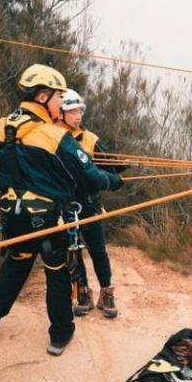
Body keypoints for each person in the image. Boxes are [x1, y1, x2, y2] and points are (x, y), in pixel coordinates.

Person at [0, 64, 123, 356]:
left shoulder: (6, 125)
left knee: (16, 264)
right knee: (56, 271)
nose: (61, 104)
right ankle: (61, 333)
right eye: (58, 98)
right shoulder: (54, 136)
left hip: (12, 212)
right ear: (42, 97)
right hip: (46, 218)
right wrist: (115, 181)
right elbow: (90, 175)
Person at [56, 89, 126, 318]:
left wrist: (117, 168)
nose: (78, 116)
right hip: (65, 204)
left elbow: (110, 166)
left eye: (79, 111)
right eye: (72, 111)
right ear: (61, 113)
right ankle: (83, 292)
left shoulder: (90, 139)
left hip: (89, 203)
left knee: (98, 249)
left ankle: (107, 293)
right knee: (73, 249)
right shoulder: (53, 138)